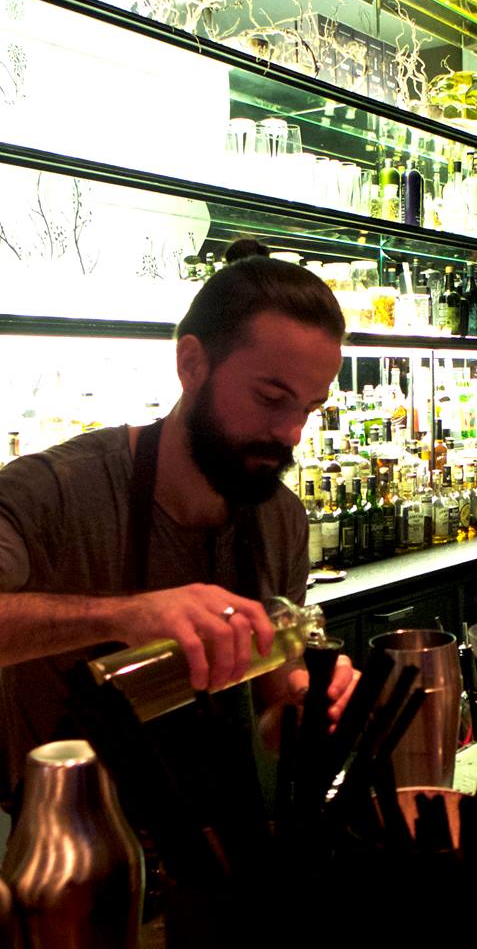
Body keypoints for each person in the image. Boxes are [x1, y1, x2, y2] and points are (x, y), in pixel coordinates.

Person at [0, 253, 357, 824]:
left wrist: (302, 707)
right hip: (71, 857)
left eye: (309, 409)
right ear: (191, 363)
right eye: (270, 398)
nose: (291, 432)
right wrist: (122, 617)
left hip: (215, 855)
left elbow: (271, 714)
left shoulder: (279, 517)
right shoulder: (56, 492)